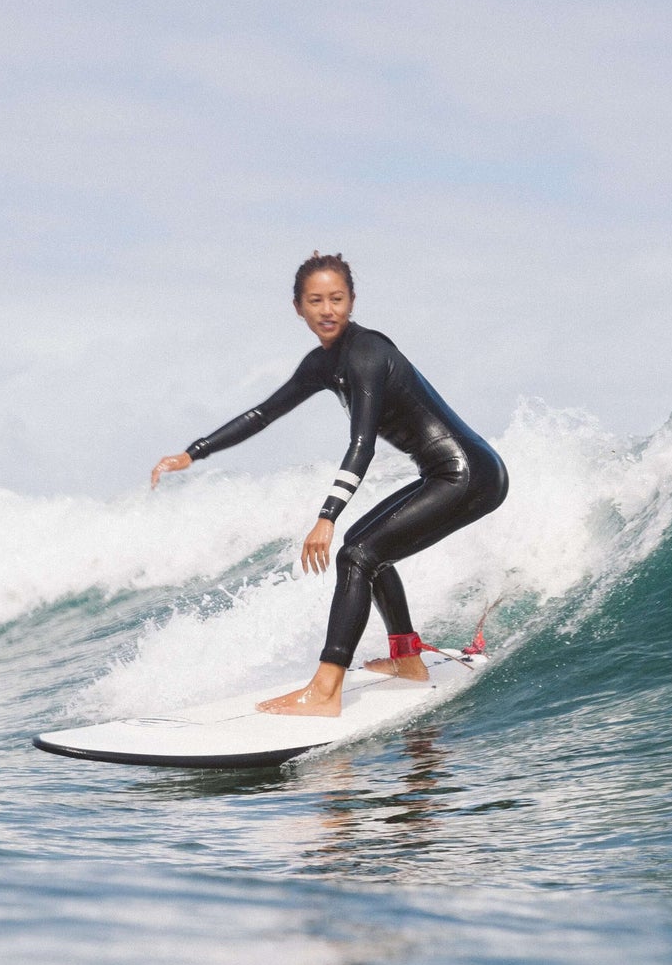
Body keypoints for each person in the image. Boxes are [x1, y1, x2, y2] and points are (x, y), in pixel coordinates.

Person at [150, 252, 508, 717]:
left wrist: (327, 516)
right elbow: (263, 413)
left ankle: (325, 690)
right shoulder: (322, 364)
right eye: (315, 301)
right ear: (298, 307)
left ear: (352, 301)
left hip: (468, 473)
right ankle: (407, 661)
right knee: (365, 550)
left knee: (355, 554)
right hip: (446, 473)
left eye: (337, 299)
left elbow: (362, 444)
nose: (327, 310)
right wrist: (193, 452)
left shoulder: (367, 354)